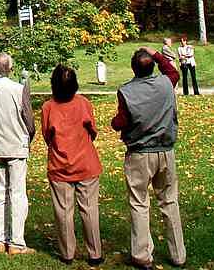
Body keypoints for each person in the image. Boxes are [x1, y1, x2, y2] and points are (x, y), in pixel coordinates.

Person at [111, 47, 186, 270]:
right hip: (165, 151)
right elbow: (173, 72)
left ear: (133, 68)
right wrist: (156, 54)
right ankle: (178, 255)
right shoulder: (166, 83)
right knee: (169, 202)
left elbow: (122, 121)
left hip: (140, 155)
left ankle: (142, 255)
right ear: (153, 65)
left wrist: (114, 123)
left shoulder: (126, 91)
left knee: (139, 203)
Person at [41, 65, 103, 267]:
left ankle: (67, 253)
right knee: (89, 209)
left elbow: (47, 136)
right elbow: (92, 131)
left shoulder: (48, 108)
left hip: (61, 166)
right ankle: (95, 253)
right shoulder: (83, 103)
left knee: (64, 212)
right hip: (85, 164)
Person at [0, 52, 36, 256]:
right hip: (16, 145)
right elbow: (29, 120)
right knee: (17, 194)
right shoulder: (19, 89)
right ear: (10, 68)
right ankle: (16, 243)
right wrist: (29, 138)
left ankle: (0, 240)